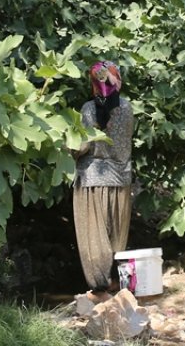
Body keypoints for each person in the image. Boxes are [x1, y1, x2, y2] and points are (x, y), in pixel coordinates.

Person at [73, 60, 134, 294]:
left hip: (92, 181)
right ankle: (121, 286)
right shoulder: (127, 108)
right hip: (120, 179)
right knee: (116, 237)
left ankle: (99, 289)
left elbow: (82, 146)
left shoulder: (88, 110)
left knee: (94, 240)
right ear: (117, 80)